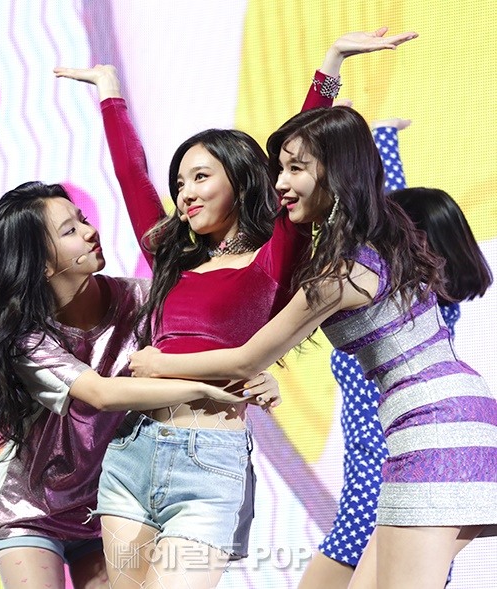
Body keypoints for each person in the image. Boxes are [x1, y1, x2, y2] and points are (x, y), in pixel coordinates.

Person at [55, 27, 418, 589]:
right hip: (132, 453)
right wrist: (110, 92)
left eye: (201, 177)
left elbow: (300, 152)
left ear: (243, 183)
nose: (186, 193)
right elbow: (132, 176)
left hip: (209, 461)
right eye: (180, 182)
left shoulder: (272, 259)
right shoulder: (171, 259)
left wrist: (331, 65)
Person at [128, 106, 497, 589]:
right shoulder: (380, 239)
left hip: (434, 428)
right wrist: (340, 86)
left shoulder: (340, 274)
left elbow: (247, 357)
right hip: (443, 420)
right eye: (279, 169)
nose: (280, 183)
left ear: (336, 172)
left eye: (295, 169)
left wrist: (160, 363)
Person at [0, 182, 276, 589]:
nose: (90, 231)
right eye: (70, 230)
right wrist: (205, 388)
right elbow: (101, 394)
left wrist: (247, 374)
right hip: (33, 508)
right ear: (41, 265)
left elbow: (200, 348)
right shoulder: (27, 339)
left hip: (111, 500)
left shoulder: (143, 299)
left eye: (83, 220)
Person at [299, 120, 493, 589]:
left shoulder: (406, 298)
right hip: (390, 473)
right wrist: (380, 138)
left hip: (393, 474)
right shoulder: (416, 301)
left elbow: (380, 214)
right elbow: (387, 209)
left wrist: (351, 141)